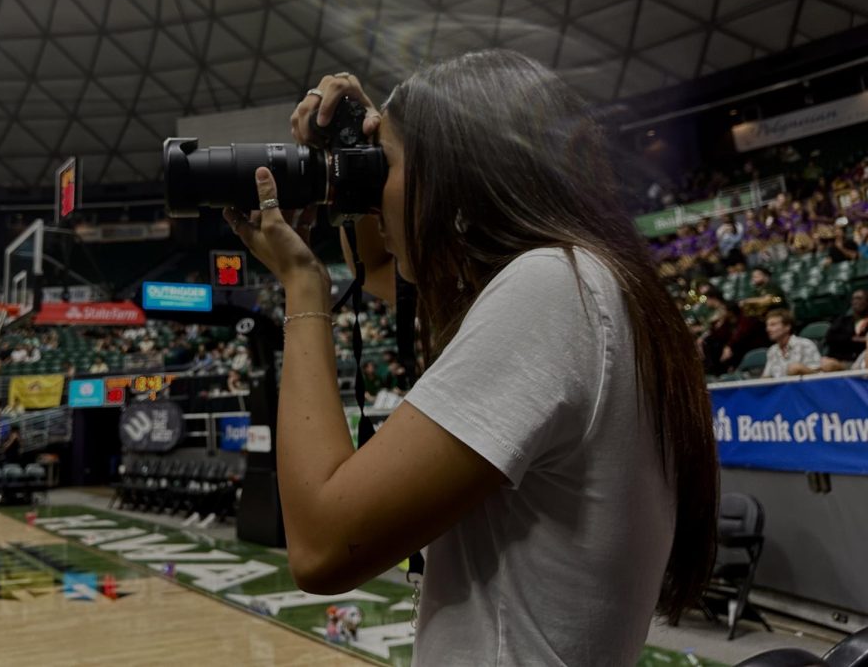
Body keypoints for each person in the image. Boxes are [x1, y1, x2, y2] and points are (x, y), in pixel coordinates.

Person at [225, 54, 717, 665]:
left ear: (454, 176)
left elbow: (322, 546)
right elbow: (377, 270)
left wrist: (301, 284)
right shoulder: (596, 283)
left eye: (389, 166)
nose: (379, 188)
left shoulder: (550, 290)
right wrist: (351, 151)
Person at [763, 309, 822, 378]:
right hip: (780, 388)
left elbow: (819, 376)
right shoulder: (772, 351)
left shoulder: (805, 344)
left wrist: (801, 370)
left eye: (773, 325)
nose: (768, 329)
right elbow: (766, 377)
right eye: (767, 325)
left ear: (787, 327)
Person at [821, 289, 868, 372]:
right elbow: (830, 338)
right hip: (838, 359)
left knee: (828, 365)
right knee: (823, 362)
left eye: (859, 298)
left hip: (858, 362)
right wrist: (854, 339)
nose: (855, 301)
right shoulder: (843, 320)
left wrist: (847, 340)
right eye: (854, 299)